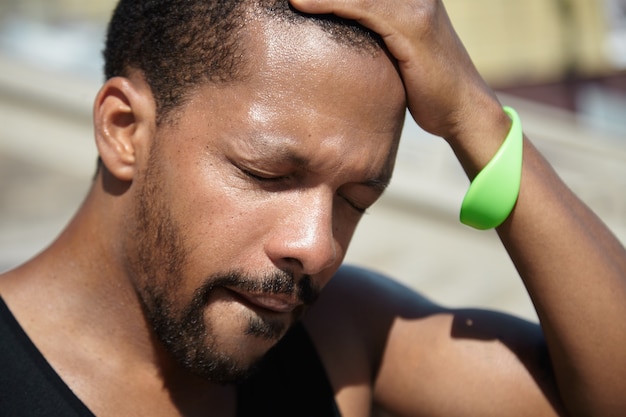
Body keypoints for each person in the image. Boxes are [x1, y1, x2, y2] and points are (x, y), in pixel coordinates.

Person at [1, 0, 625, 415]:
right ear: (123, 128)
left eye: (356, 200)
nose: (318, 246)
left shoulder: (340, 340)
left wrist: (473, 113)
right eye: (268, 174)